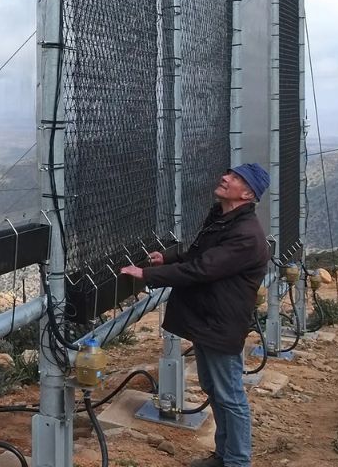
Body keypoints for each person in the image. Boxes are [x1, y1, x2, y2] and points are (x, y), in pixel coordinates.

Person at [120, 164, 271, 467]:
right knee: (215, 389)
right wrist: (168, 257)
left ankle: (237, 461)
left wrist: (148, 273)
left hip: (220, 324)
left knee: (229, 395)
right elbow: (199, 254)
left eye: (236, 178)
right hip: (209, 320)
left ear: (248, 193)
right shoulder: (223, 218)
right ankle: (224, 455)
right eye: (229, 173)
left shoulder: (246, 235)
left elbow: (202, 269)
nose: (226, 177)